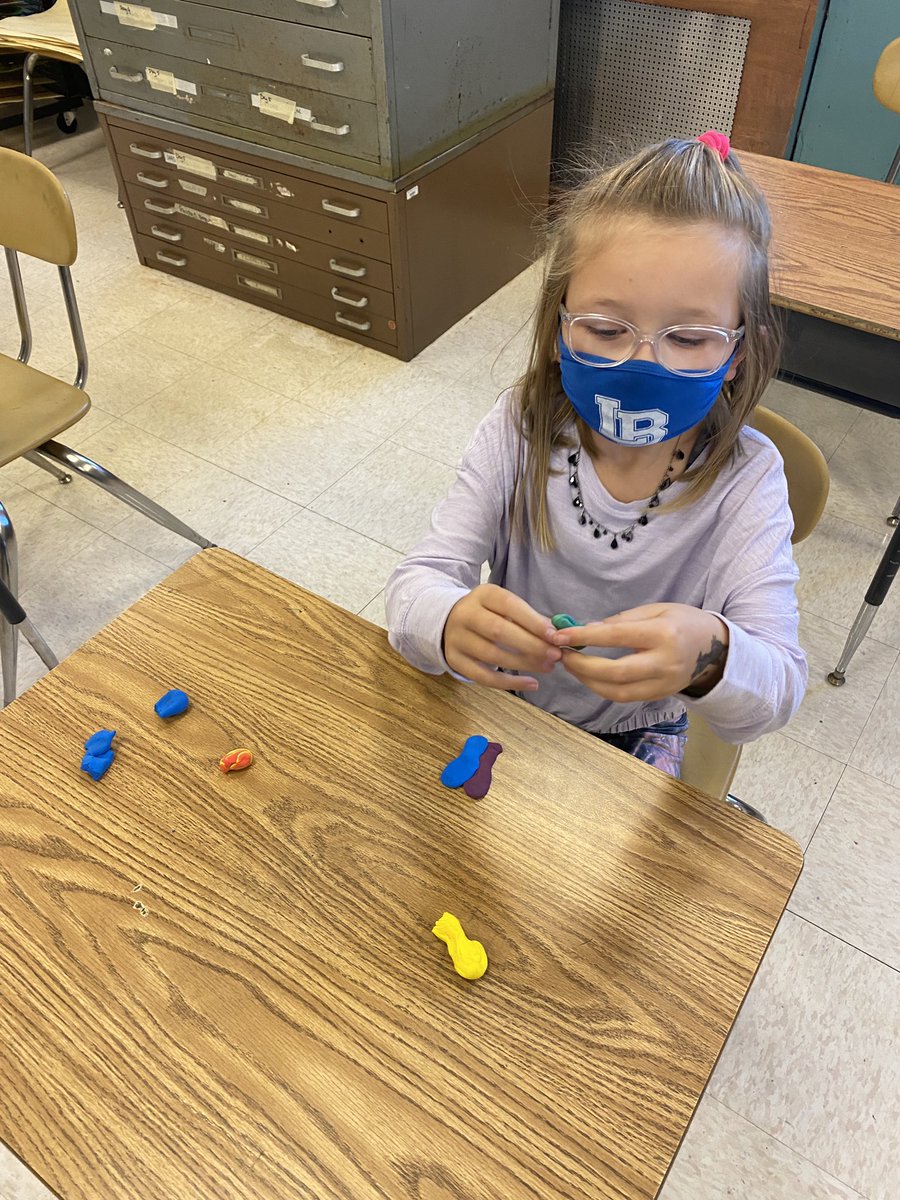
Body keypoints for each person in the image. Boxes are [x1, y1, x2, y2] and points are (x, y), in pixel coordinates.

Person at [385, 131, 807, 779]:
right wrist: (444, 620)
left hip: (640, 734)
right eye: (607, 329)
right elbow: (416, 585)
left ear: (738, 354)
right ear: (559, 330)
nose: (641, 362)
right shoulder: (519, 427)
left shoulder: (748, 482)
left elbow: (775, 693)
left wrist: (711, 655)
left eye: (690, 337)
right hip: (507, 701)